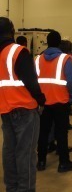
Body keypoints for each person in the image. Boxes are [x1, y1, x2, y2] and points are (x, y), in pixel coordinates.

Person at [0, 17, 46, 191]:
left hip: (5, 109)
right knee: (25, 154)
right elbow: (31, 81)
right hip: (25, 109)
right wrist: (41, 99)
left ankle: (11, 188)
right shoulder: (18, 51)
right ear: (12, 31)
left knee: (9, 151)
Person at [36, 31, 72, 173]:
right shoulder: (65, 59)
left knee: (43, 132)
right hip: (61, 102)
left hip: (43, 103)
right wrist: (71, 99)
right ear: (59, 42)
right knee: (61, 133)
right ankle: (63, 162)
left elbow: (34, 81)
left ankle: (41, 162)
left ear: (47, 42)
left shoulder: (38, 59)